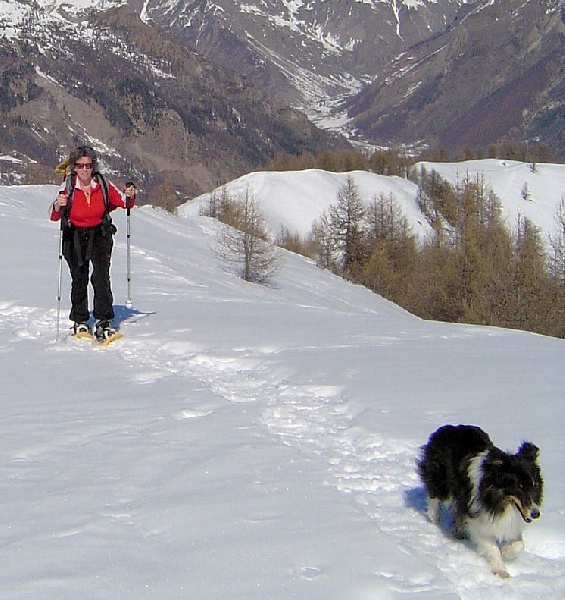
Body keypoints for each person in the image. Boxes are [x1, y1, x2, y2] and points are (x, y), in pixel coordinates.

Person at [50, 146, 136, 340]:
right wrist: (58, 205)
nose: (85, 170)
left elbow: (124, 202)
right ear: (74, 168)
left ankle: (103, 320)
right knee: (79, 277)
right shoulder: (67, 187)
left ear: (94, 166)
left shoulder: (103, 184)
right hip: (74, 237)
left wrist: (130, 194)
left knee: (101, 277)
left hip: (100, 235)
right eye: (80, 166)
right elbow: (53, 215)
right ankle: (80, 320)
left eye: (88, 165)